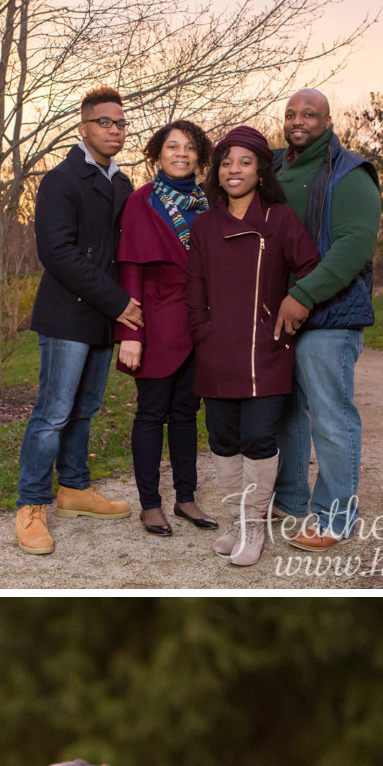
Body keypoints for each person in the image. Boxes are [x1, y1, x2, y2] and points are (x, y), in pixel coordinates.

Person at [15, 86, 143, 555]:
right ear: (83, 127)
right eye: (105, 122)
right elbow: (57, 253)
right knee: (53, 412)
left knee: (85, 409)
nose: (115, 130)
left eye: (121, 123)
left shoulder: (122, 184)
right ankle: (31, 505)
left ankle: (73, 488)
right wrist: (118, 302)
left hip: (102, 319)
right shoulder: (60, 180)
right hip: (68, 315)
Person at [185, 126, 320, 566]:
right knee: (223, 439)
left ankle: (255, 526)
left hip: (266, 349)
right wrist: (202, 329)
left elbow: (311, 267)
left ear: (261, 170)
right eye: (226, 162)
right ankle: (236, 521)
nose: (234, 169)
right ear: (217, 172)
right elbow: (194, 285)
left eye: (244, 162)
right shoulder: (205, 224)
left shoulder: (280, 219)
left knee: (259, 438)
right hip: (217, 348)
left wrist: (293, 305)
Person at [271, 88, 382, 550]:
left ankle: (335, 518)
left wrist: (303, 295)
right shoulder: (274, 167)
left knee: (330, 418)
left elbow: (354, 247)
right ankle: (290, 500)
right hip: (281, 313)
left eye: (309, 114)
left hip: (330, 315)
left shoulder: (350, 173)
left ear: (328, 121)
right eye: (291, 114)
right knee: (287, 413)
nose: (298, 121)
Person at [114, 119, 217, 536]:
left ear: (200, 156)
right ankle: (150, 504)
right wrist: (130, 335)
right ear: (158, 153)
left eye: (189, 147)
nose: (181, 154)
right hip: (156, 325)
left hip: (200, 327)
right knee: (151, 414)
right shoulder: (142, 202)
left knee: (187, 415)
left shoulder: (209, 203)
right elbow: (131, 270)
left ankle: (186, 498)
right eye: (173, 146)